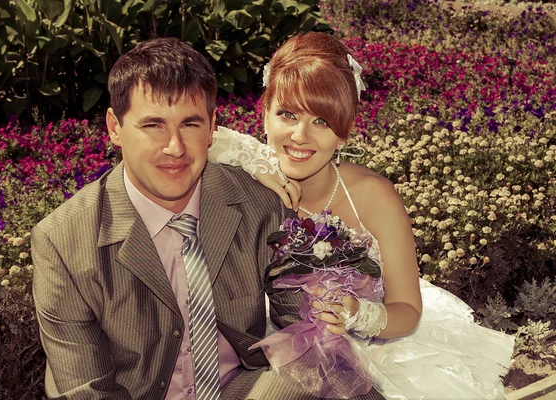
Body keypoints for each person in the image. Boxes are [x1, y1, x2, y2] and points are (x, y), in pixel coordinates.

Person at [208, 32, 515, 399]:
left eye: (322, 121)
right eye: (287, 114)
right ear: (265, 113)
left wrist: (357, 313)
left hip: (377, 353)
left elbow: (407, 310)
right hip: (275, 353)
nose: (300, 136)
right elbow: (191, 139)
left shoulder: (373, 196)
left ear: (345, 131)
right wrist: (252, 159)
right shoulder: (249, 177)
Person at [31, 37, 307, 400]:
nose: (175, 147)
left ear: (212, 128)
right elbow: (86, 393)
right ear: (115, 127)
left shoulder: (260, 206)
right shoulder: (63, 242)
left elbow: (306, 334)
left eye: (190, 124)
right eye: (153, 125)